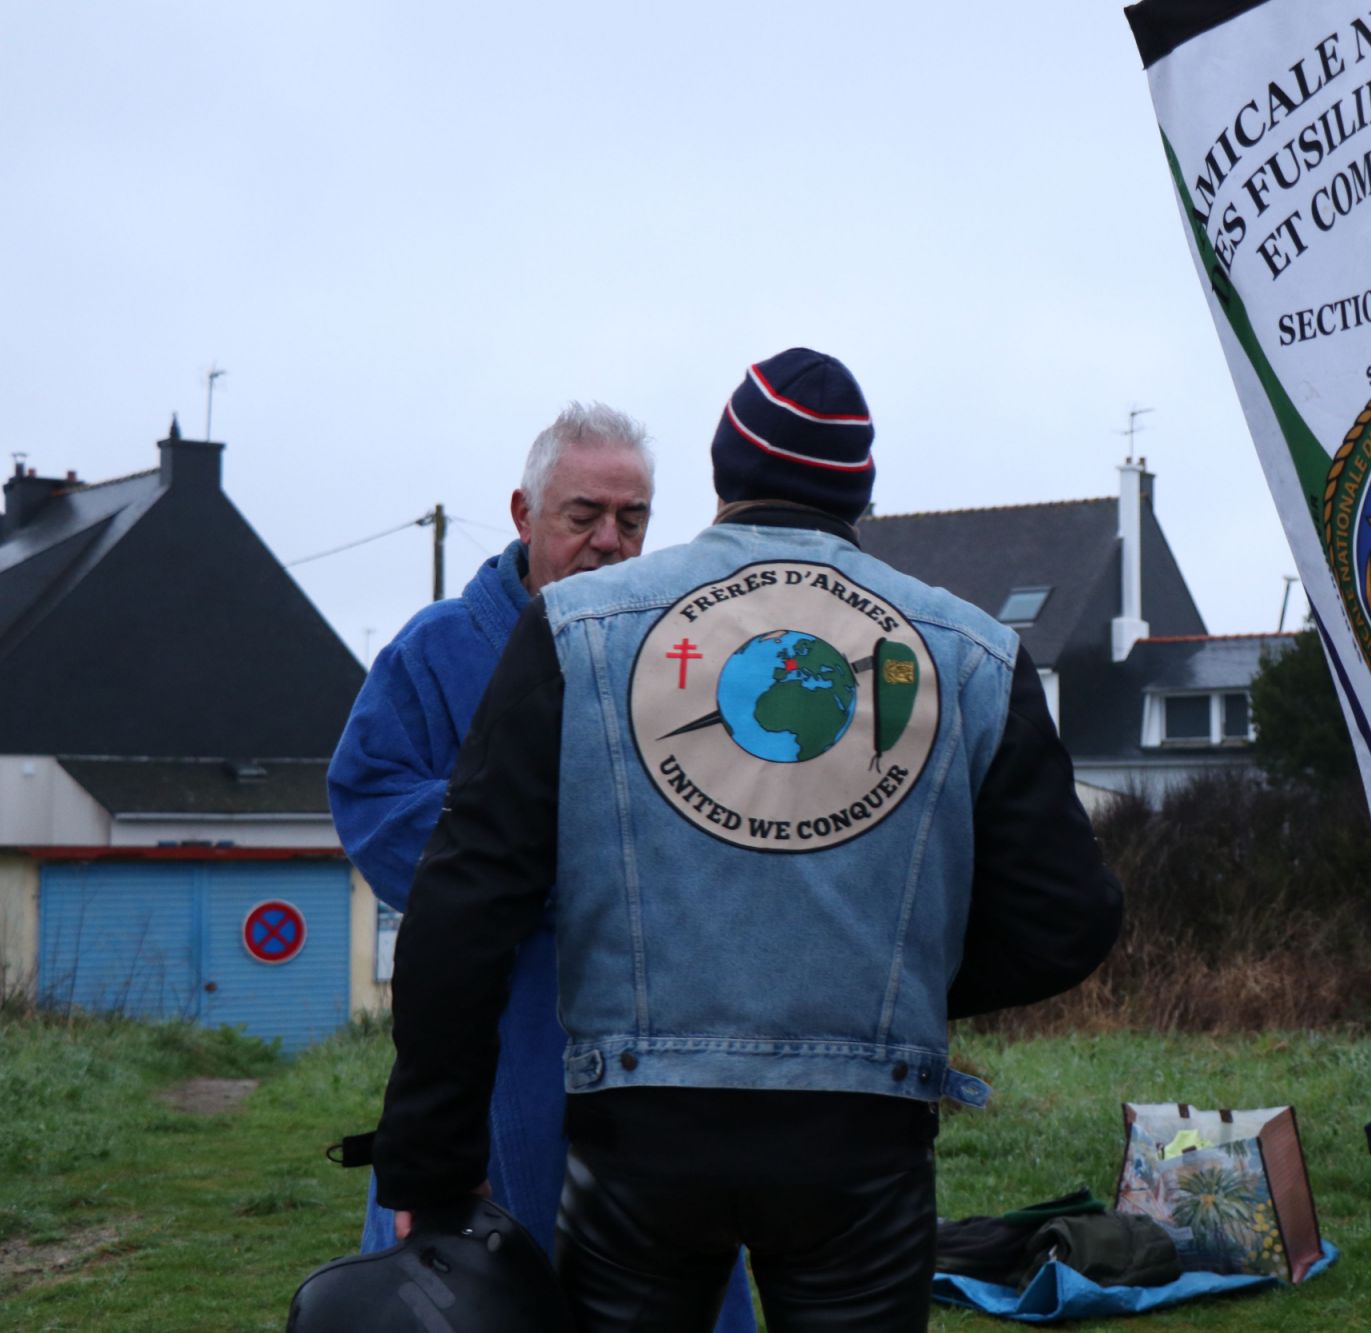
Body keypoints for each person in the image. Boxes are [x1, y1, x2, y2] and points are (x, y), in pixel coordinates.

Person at [369, 348, 1123, 1330]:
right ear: (860, 495)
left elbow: (461, 903)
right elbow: (1069, 917)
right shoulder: (972, 650)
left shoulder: (576, 627)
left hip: (637, 1133)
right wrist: (887, 972)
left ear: (721, 475)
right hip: (863, 1134)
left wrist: (429, 1164)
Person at [327, 401, 756, 1331]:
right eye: (583, 514)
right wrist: (548, 870)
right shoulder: (437, 649)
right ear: (524, 514)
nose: (609, 540)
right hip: (497, 1030)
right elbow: (371, 797)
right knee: (478, 1295)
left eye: (632, 518)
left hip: (656, 1047)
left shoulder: (681, 652)